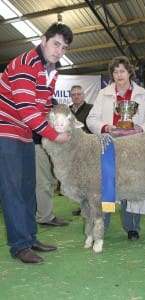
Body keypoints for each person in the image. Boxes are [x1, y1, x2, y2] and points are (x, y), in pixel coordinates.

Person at [0, 23, 73, 264]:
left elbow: (42, 109)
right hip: (5, 132)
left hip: (23, 133)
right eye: (56, 44)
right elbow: (27, 109)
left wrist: (56, 126)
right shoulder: (25, 64)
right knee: (13, 192)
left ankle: (30, 238)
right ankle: (19, 245)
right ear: (43, 40)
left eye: (64, 47)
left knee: (28, 188)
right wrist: (55, 135)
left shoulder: (50, 70)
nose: (59, 50)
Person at [86, 56, 145, 241]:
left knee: (133, 186)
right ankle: (103, 225)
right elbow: (91, 119)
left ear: (129, 73)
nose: (119, 75)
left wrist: (141, 128)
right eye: (115, 72)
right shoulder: (103, 94)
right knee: (107, 187)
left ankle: (132, 227)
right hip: (110, 145)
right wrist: (106, 128)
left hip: (135, 146)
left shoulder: (142, 94)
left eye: (122, 71)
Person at [34, 98, 69, 227]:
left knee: (45, 181)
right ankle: (45, 216)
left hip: (48, 145)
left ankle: (41, 213)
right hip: (40, 144)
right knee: (44, 182)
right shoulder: (41, 100)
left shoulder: (51, 101)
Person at [69, 85, 93, 215]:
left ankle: (90, 204)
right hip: (72, 150)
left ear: (83, 95)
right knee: (79, 179)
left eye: (79, 94)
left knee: (90, 179)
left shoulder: (91, 109)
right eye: (73, 94)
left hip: (89, 149)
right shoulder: (68, 111)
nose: (76, 96)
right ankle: (83, 205)